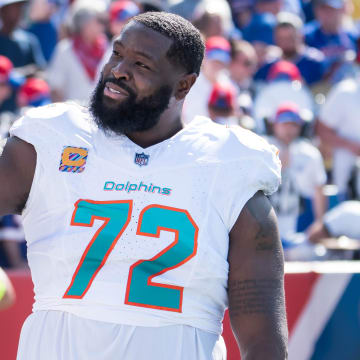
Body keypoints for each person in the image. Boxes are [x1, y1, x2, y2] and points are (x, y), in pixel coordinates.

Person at [0, 12, 287, 359]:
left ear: (184, 84)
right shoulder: (50, 139)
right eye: (117, 53)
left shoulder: (229, 166)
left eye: (141, 64)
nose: (119, 69)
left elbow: (264, 342)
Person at [265, 102, 327, 238]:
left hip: (297, 220)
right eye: (284, 123)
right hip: (264, 220)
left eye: (294, 124)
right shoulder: (262, 147)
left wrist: (320, 223)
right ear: (274, 125)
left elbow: (319, 189)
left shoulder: (309, 153)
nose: (289, 129)